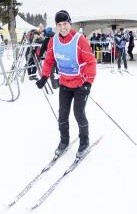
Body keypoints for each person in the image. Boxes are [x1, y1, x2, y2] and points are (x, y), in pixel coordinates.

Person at [36, 10, 97, 158]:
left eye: (65, 23)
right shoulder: (53, 41)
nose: (63, 27)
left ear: (69, 23)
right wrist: (44, 76)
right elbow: (49, 59)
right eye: (59, 24)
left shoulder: (80, 40)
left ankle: (84, 142)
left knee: (78, 113)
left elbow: (91, 62)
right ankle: (64, 141)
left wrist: (88, 82)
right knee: (62, 115)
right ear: (56, 26)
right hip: (64, 83)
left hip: (81, 84)